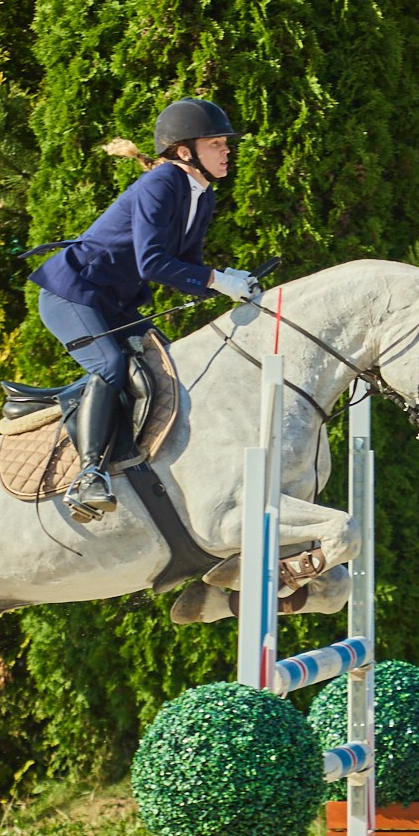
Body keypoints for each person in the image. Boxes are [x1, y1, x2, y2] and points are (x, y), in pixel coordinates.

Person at [29, 98, 259, 523]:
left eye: (226, 144)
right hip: (72, 293)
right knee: (112, 365)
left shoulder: (201, 196)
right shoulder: (163, 184)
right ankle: (90, 475)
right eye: (217, 144)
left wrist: (232, 283)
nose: (227, 151)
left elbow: (186, 267)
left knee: (162, 368)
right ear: (185, 151)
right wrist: (216, 280)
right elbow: (152, 263)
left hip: (111, 302)